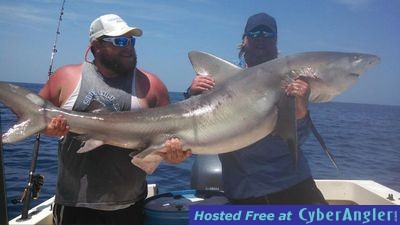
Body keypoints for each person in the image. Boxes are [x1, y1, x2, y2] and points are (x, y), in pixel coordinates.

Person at [39, 14, 191, 224]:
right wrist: (47, 129)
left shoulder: (152, 86)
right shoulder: (66, 77)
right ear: (97, 46)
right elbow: (36, 119)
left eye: (131, 40)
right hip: (74, 204)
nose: (128, 46)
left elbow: (170, 139)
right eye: (119, 41)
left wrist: (174, 156)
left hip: (129, 206)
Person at [185, 12, 327, 204]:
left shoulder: (291, 78)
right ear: (244, 40)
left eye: (268, 34)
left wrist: (301, 109)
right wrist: (192, 93)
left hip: (292, 183)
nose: (261, 38)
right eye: (255, 33)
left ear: (276, 41)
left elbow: (299, 139)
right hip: (243, 189)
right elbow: (195, 121)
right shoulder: (221, 77)